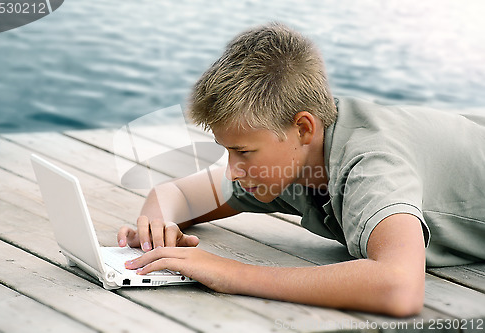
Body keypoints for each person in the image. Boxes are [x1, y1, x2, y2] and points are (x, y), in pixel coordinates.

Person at [117, 22, 485, 317]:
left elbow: (399, 288)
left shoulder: (371, 166)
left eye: (243, 151)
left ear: (304, 127)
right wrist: (158, 230)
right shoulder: (294, 160)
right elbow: (175, 194)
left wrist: (230, 272)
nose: (232, 171)